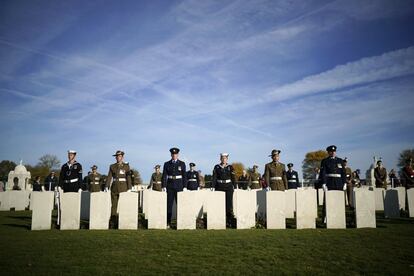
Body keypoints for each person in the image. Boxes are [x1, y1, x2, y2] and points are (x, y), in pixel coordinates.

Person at [105, 150, 132, 229]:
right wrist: (107, 186)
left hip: (124, 187)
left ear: (122, 157)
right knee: (114, 205)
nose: (118, 157)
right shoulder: (112, 166)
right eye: (117, 156)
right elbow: (109, 176)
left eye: (119, 156)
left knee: (123, 206)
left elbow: (128, 177)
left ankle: (122, 221)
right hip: (114, 187)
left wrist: (129, 187)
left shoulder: (126, 166)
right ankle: (113, 222)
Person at [162, 147, 187, 228]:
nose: (174, 155)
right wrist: (164, 186)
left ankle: (180, 222)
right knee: (169, 205)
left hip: (179, 186)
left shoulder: (182, 164)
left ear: (178, 154)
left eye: (175, 154)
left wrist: (185, 186)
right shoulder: (166, 164)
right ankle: (168, 222)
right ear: (171, 154)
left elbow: (184, 176)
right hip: (170, 186)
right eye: (173, 154)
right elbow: (164, 175)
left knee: (179, 205)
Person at [212, 153, 236, 226]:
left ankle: (229, 221)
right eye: (222, 158)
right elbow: (214, 177)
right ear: (220, 159)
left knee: (229, 205)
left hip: (228, 187)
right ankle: (220, 221)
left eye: (225, 158)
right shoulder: (217, 167)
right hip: (219, 186)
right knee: (219, 204)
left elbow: (233, 177)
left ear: (227, 159)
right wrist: (212, 186)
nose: (223, 159)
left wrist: (235, 186)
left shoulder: (230, 167)